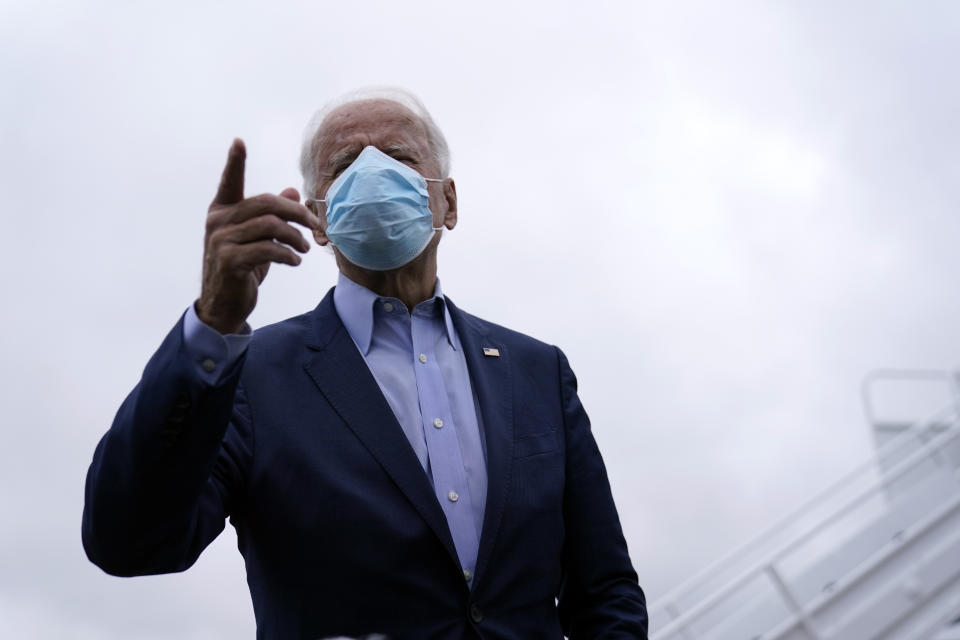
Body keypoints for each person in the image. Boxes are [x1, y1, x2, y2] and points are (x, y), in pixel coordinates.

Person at [82, 88, 648, 639]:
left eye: (400, 157)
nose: (373, 172)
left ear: (447, 202)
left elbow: (604, 591)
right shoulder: (253, 376)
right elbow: (130, 541)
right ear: (319, 219)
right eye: (345, 163)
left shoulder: (536, 371)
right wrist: (212, 324)